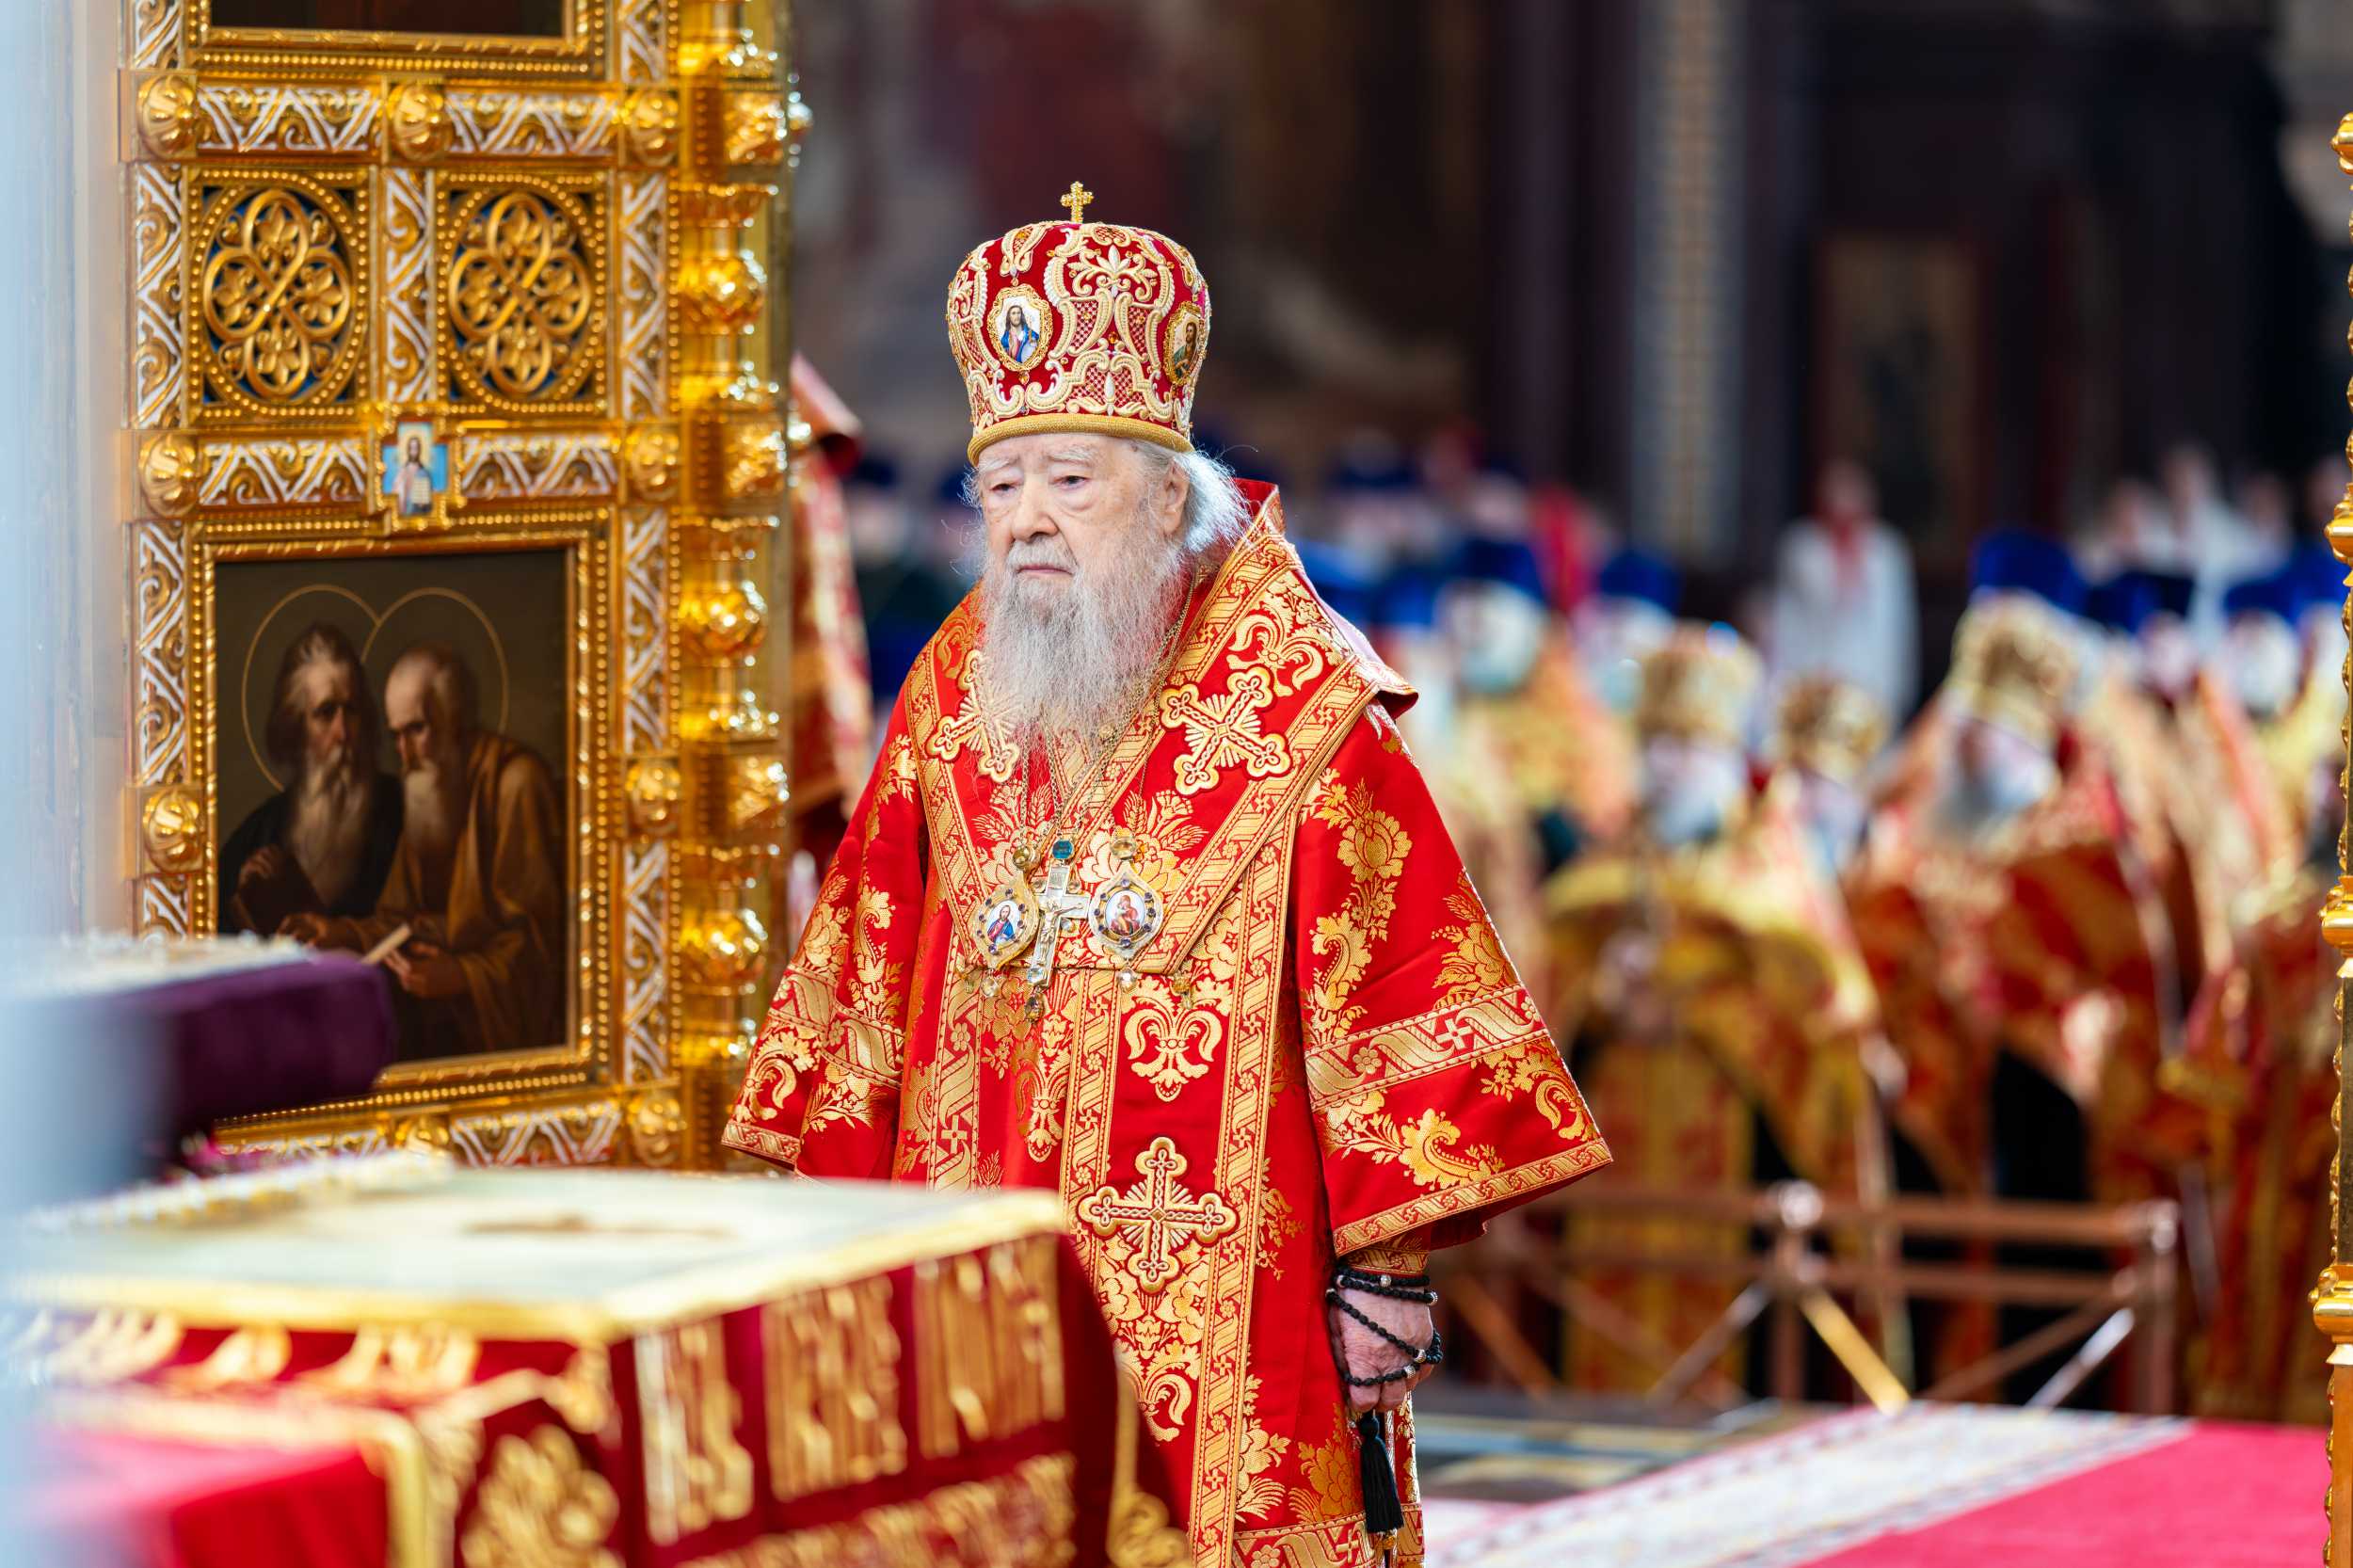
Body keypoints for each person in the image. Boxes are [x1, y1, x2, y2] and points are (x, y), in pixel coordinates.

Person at [725, 197, 1609, 1566]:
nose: (1027, 522)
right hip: (977, 1270)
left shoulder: (1302, 699)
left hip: (1235, 1296)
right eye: (1002, 486)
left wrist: (1385, 1274)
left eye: (1069, 482)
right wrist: (830, 1231)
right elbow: (863, 976)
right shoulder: (954, 687)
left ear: (1165, 491)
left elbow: (1398, 992)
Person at [1546, 625, 1881, 1394]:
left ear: (1730, 759)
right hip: (1621, 1138)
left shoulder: (1772, 865)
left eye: (1691, 748)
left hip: (1736, 1137)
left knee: (1740, 1339)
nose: (1668, 767)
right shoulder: (1611, 858)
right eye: (1657, 745)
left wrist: (1696, 1009)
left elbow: (1822, 1019)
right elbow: (1552, 989)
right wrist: (1602, 992)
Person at [288, 642, 564, 1061]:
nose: (405, 753)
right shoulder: (429, 790)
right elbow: (403, 921)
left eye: (417, 730)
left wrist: (462, 975)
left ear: (456, 722)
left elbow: (542, 946)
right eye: (396, 735)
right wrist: (340, 934)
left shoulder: (516, 783)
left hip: (505, 1049)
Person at [220, 623, 403, 936]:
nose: (343, 733)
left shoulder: (402, 812)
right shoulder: (260, 832)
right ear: (296, 726)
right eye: (326, 712)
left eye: (351, 710)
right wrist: (247, 898)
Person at [1767, 459, 1919, 722]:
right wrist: (1783, 684)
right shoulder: (1802, 548)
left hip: (1872, 683)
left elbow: (1897, 625)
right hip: (1813, 678)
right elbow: (1787, 620)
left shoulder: (1886, 552)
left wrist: (1899, 688)